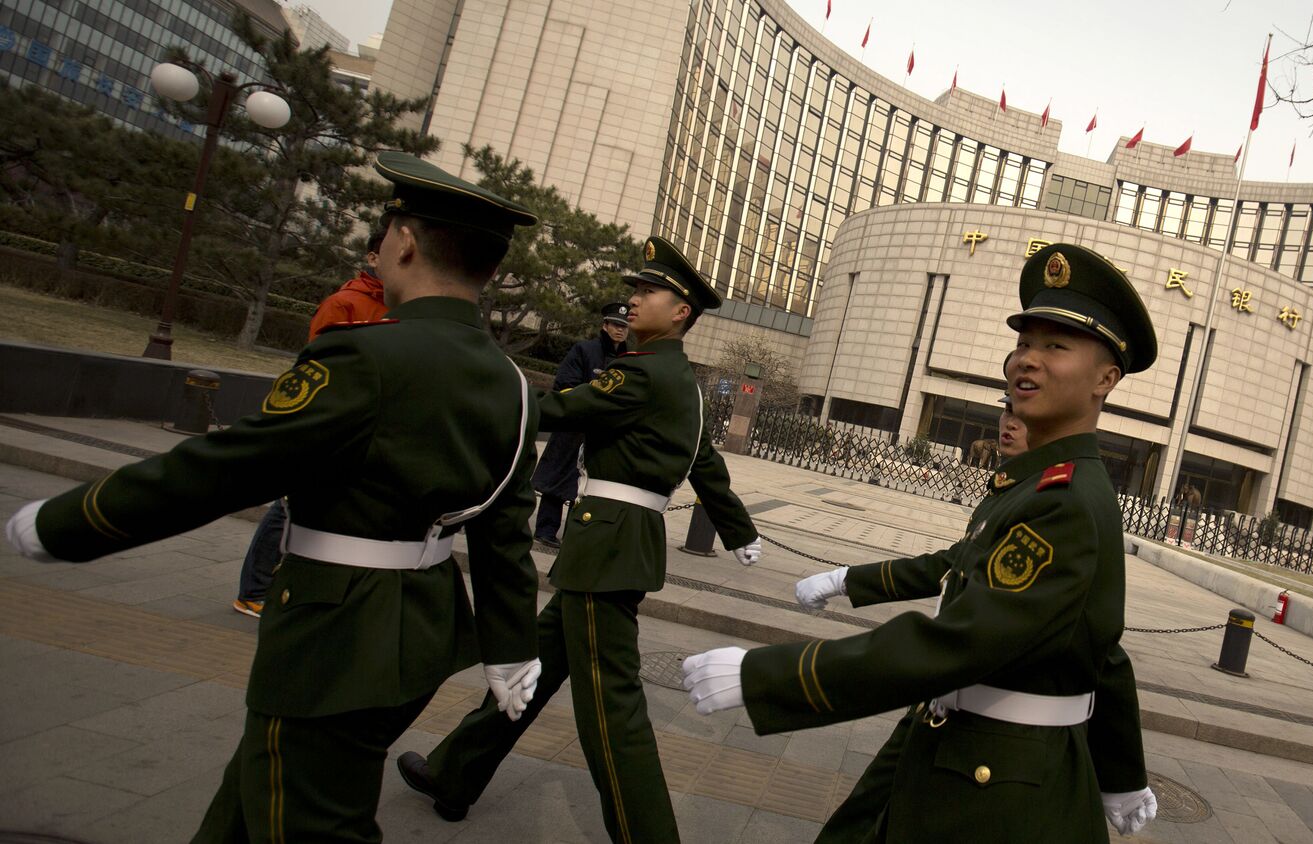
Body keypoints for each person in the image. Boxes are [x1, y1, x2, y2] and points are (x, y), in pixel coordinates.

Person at [6, 152, 546, 842]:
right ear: (491, 268)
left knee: (311, 820)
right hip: (424, 629)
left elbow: (227, 466)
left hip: (336, 639)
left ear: (405, 241)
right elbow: (502, 528)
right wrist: (509, 646)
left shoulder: (367, 357)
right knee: (255, 797)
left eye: (386, 231)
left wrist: (69, 522)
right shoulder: (513, 384)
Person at [685, 243, 1160, 841]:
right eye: (1023, 343)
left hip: (998, 787)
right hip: (961, 746)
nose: (1026, 361)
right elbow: (1097, 642)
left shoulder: (1064, 501)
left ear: (1106, 378)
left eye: (1055, 347)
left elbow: (964, 639)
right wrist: (1121, 770)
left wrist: (774, 677)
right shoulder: (1036, 484)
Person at [396, 236, 764, 843]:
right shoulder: (683, 384)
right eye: (636, 288)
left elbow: (557, 410)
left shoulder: (642, 373)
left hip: (607, 549)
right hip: (616, 547)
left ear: (680, 313)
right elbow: (704, 461)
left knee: (610, 710)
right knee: (533, 670)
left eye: (649, 291)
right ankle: (453, 775)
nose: (633, 299)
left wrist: (467, 390)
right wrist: (738, 530)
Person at [231, 227, 395, 617]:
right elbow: (317, 367)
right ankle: (253, 590)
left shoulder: (399, 307)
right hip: (328, 422)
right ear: (372, 258)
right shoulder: (345, 304)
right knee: (287, 505)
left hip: (366, 427)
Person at [530, 302, 633, 547]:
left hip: (603, 433)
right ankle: (545, 528)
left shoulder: (629, 360)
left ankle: (575, 534)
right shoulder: (584, 350)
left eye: (625, 326)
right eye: (616, 325)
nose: (620, 330)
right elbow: (565, 385)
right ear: (605, 325)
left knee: (588, 488)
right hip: (573, 428)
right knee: (557, 480)